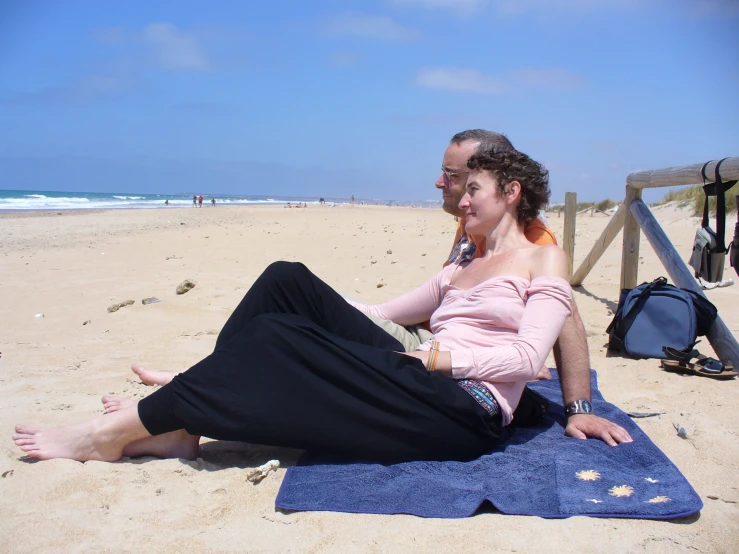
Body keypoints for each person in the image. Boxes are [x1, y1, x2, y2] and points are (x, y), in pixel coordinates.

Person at [13, 149, 575, 464]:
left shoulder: (542, 260)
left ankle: (105, 436)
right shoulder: (462, 261)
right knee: (286, 283)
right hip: (420, 372)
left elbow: (528, 359)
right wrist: (319, 305)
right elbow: (380, 314)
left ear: (512, 192)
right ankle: (186, 420)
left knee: (276, 340)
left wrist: (445, 362)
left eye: (474, 188)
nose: (463, 199)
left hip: (464, 404)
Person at [366, 129, 631, 446]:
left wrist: (579, 408)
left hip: (435, 353)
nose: (441, 183)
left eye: (453, 176)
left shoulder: (532, 242)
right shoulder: (475, 227)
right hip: (433, 337)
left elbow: (566, 317)